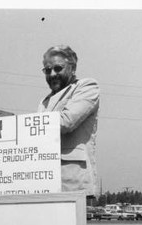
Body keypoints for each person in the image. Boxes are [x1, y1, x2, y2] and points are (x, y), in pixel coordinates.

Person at [37, 45, 100, 198]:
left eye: (58, 68)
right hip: (48, 180)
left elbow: (66, 122)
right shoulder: (44, 101)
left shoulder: (87, 87)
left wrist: (24, 127)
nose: (52, 74)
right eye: (47, 70)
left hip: (73, 179)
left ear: (72, 68)